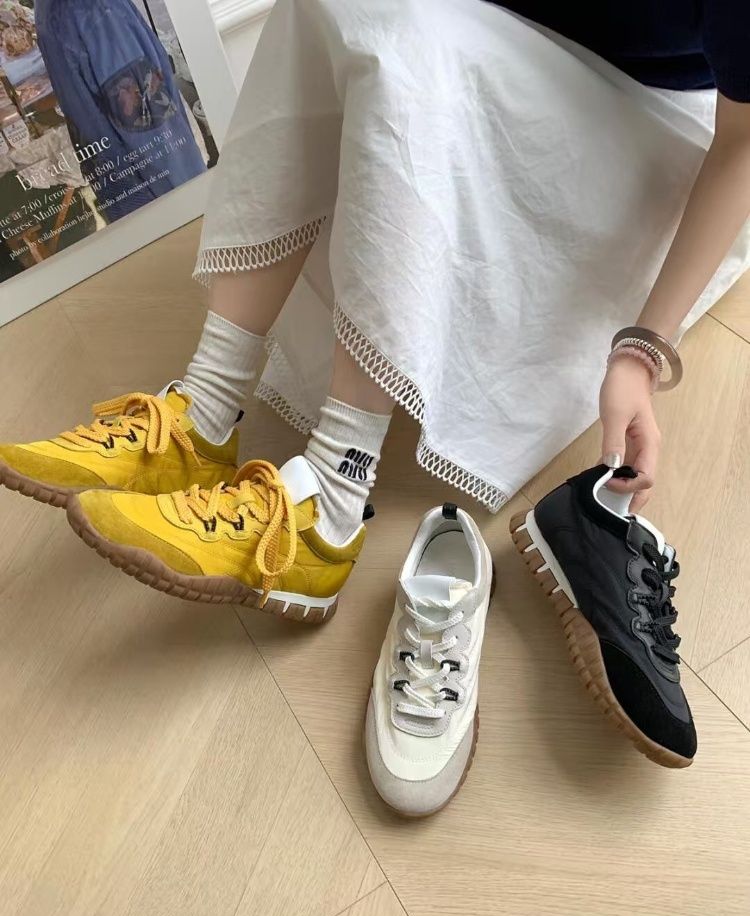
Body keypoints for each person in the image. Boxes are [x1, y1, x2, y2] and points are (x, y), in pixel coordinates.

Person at [1, 0, 750, 618]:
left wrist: (641, 351)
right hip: (515, 34)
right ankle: (203, 410)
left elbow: (744, 141)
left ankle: (332, 501)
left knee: (401, 36)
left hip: (647, 116)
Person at [33, 0, 206, 222]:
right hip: (162, 198)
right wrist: (196, 200)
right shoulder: (92, 8)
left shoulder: (53, 7)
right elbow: (153, 131)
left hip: (129, 195)